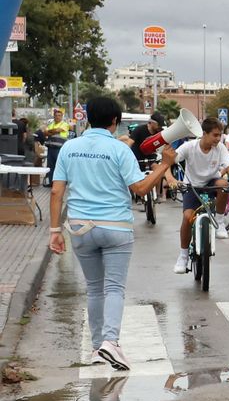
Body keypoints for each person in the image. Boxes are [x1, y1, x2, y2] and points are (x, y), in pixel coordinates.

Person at [48, 97, 178, 370]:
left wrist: (54, 231)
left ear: (87, 118)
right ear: (115, 121)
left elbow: (57, 190)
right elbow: (141, 189)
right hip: (115, 227)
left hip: (80, 228)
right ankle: (111, 343)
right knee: (114, 288)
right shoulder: (119, 150)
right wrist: (164, 165)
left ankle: (97, 348)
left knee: (94, 289)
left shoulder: (69, 148)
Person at [172, 117, 229, 274]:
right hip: (192, 187)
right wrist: (170, 179)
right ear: (204, 134)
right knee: (187, 218)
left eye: (220, 135)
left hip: (211, 183)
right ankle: (183, 256)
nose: (218, 139)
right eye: (215, 135)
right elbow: (168, 161)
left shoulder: (220, 148)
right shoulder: (189, 147)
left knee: (224, 185)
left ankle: (219, 222)